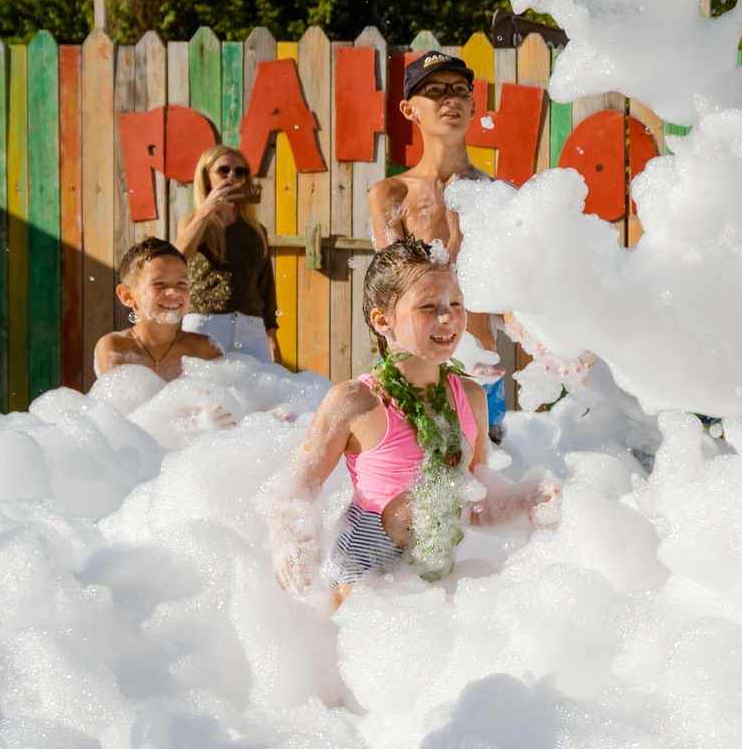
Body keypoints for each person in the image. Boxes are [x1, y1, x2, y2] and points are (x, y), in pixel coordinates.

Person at [268, 238, 556, 605]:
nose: (448, 317)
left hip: (432, 589)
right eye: (428, 307)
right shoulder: (356, 401)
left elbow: (477, 503)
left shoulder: (471, 398)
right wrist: (290, 539)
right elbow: (296, 488)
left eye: (456, 304)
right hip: (359, 584)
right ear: (382, 319)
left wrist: (525, 500)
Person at [370, 51, 510, 439]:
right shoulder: (390, 193)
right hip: (414, 371)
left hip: (480, 370)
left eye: (459, 90)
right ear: (408, 109)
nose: (450, 99)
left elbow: (514, 292)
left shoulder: (496, 195)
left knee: (484, 487)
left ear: (472, 104)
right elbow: (393, 290)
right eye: (434, 91)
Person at [174, 145, 281, 366]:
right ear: (206, 178)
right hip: (206, 323)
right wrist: (207, 210)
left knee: (261, 397)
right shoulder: (193, 222)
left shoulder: (255, 229)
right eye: (224, 170)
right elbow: (177, 257)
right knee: (204, 396)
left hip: (252, 327)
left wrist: (271, 336)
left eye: (240, 172)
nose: (232, 176)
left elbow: (265, 286)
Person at [94, 239, 224, 382]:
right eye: (159, 284)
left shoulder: (206, 349)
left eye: (181, 283)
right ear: (127, 296)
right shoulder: (115, 347)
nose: (173, 291)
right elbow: (118, 401)